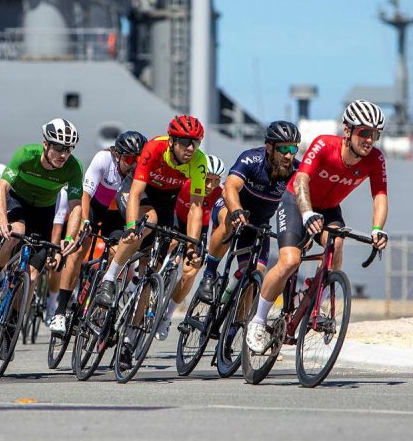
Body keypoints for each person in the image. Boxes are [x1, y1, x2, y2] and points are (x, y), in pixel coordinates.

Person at [245, 100, 389, 352]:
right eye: (364, 132)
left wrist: (378, 229)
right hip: (297, 201)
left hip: (329, 208)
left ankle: (315, 298)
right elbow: (301, 178)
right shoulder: (324, 144)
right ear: (348, 131)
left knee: (337, 243)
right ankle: (258, 320)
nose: (370, 140)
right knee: (290, 261)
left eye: (375, 134)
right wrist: (307, 212)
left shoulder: (375, 159)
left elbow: (379, 194)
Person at [0, 118, 84, 355]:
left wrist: (69, 236)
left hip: (43, 212)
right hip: (18, 202)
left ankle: (10, 328)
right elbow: (1, 188)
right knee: (15, 234)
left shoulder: (73, 167)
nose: (63, 154)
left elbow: (76, 205)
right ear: (46, 144)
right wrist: (2, 222)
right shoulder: (25, 154)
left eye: (68, 149)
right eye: (58, 148)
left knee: (32, 275)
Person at [96, 115, 208, 307]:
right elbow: (135, 192)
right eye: (185, 142)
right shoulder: (155, 147)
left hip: (166, 200)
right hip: (140, 191)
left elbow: (195, 209)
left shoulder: (199, 161)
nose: (190, 148)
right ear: (172, 141)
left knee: (152, 269)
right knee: (148, 221)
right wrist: (131, 227)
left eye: (195, 143)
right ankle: (109, 280)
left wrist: (192, 247)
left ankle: (132, 333)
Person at [48, 130, 147, 335]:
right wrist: (85, 221)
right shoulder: (104, 159)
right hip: (94, 207)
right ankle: (60, 311)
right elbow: (84, 195)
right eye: (129, 159)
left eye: (138, 160)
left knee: (117, 254)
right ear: (117, 155)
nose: (133, 164)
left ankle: (101, 302)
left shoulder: (138, 172)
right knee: (77, 249)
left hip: (116, 216)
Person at [197, 121, 301, 305]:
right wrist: (236, 210)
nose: (288, 155)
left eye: (293, 149)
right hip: (232, 208)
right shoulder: (252, 160)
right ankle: (209, 275)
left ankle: (232, 330)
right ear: (269, 147)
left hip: (258, 224)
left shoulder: (295, 171)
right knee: (228, 220)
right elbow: (229, 187)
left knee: (255, 278)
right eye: (283, 149)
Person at [154, 154, 225, 340]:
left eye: (215, 181)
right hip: (176, 219)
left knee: (190, 272)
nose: (210, 185)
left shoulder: (221, 193)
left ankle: (167, 317)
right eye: (207, 179)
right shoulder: (185, 182)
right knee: (172, 242)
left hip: (199, 227)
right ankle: (148, 276)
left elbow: (218, 224)